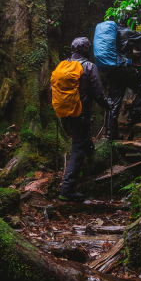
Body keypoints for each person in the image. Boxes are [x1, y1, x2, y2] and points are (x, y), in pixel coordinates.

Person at [51, 37, 109, 201]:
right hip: (81, 113)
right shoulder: (89, 66)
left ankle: (90, 157)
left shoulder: (62, 65)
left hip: (65, 113)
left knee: (82, 140)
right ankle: (66, 190)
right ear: (86, 50)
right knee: (78, 148)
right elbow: (98, 92)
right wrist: (107, 105)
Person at [105, 18, 141, 140]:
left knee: (114, 102)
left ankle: (110, 134)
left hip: (112, 70)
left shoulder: (111, 36)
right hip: (124, 68)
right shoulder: (126, 32)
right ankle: (134, 116)